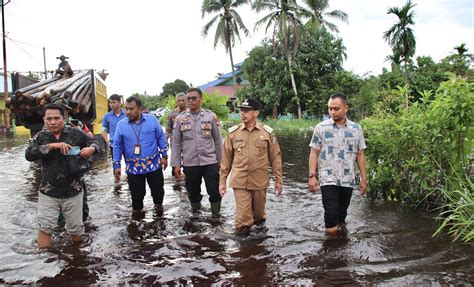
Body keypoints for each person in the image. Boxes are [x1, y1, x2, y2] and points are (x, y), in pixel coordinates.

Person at [25, 104, 99, 249]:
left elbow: (96, 142)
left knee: (76, 229)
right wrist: (52, 146)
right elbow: (29, 154)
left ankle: (76, 259)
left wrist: (91, 149)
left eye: (56, 118)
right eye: (49, 119)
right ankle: (43, 262)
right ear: (44, 119)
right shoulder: (41, 136)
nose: (53, 122)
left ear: (64, 117)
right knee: (45, 227)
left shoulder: (75, 133)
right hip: (48, 191)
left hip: (73, 190)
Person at [219, 98, 283, 234]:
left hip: (259, 181)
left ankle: (259, 243)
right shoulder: (233, 133)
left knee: (259, 218)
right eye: (242, 111)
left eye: (247, 111)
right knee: (243, 221)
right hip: (240, 181)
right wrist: (222, 181)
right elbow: (226, 160)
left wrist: (278, 179)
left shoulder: (267, 133)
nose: (243, 114)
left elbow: (275, 157)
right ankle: (244, 250)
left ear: (256, 113)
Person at [308, 93, 368, 235]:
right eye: (330, 109)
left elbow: (360, 154)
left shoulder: (356, 128)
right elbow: (314, 152)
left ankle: (340, 240)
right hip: (327, 177)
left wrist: (364, 179)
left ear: (346, 108)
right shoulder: (321, 128)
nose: (332, 112)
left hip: (347, 178)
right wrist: (312, 175)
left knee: (341, 215)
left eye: (336, 109)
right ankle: (331, 247)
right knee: (331, 212)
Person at [170, 87, 222, 216]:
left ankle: (216, 217)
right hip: (190, 162)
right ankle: (197, 215)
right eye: (188, 98)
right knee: (193, 193)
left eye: (194, 98)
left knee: (214, 192)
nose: (190, 101)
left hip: (210, 161)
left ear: (201, 99)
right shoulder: (180, 119)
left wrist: (221, 161)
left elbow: (218, 141)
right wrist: (176, 164)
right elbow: (176, 143)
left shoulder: (210, 116)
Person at [113, 96, 168, 211]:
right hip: (134, 168)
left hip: (154, 165)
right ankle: (138, 221)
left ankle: (159, 217)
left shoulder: (152, 120)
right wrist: (117, 165)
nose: (128, 112)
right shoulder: (121, 125)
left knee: (158, 193)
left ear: (140, 109)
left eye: (131, 109)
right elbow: (117, 146)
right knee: (137, 198)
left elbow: (161, 138)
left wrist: (164, 156)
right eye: (126, 109)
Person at [166, 92, 187, 179]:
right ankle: (176, 186)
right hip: (175, 142)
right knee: (175, 164)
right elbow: (168, 129)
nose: (181, 102)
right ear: (176, 102)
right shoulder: (172, 114)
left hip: (188, 143)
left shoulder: (191, 113)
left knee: (188, 165)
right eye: (179, 101)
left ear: (186, 101)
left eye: (183, 100)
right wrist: (166, 140)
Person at [101, 94, 126, 159]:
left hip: (127, 144)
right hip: (114, 145)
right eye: (110, 102)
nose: (111, 104)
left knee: (130, 164)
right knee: (116, 165)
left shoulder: (126, 115)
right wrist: (107, 141)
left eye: (114, 102)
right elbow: (103, 129)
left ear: (120, 103)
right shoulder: (107, 116)